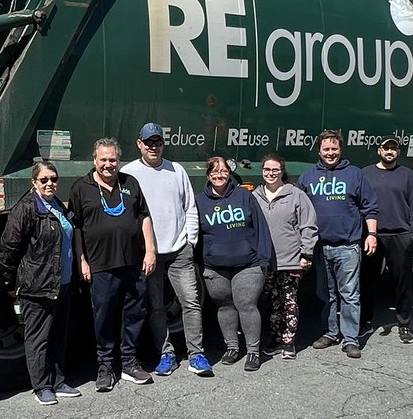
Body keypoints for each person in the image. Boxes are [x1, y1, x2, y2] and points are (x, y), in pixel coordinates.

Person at [68, 138, 157, 392]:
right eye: (103, 159)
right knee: (103, 318)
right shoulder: (81, 187)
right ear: (94, 160)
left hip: (133, 262)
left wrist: (150, 250)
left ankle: (129, 362)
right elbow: (76, 228)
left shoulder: (130, 183)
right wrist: (82, 261)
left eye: (113, 160)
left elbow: (144, 217)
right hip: (100, 265)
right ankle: (105, 366)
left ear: (119, 161)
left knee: (134, 314)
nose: (108, 164)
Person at [123, 122, 210, 378]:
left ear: (163, 144)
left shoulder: (177, 170)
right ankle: (166, 354)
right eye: (148, 142)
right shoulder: (129, 173)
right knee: (155, 306)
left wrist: (190, 240)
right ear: (139, 143)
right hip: (149, 253)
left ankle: (197, 355)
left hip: (179, 249)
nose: (153, 147)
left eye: (157, 142)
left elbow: (190, 207)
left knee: (191, 302)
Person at [0, 160, 82, 405]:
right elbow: (8, 248)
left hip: (62, 283)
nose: (49, 184)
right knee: (38, 338)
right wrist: (10, 282)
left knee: (59, 335)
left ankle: (58, 380)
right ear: (33, 183)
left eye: (53, 179)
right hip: (37, 286)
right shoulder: (26, 209)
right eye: (44, 180)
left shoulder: (56, 205)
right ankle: (41, 386)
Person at [300, 131, 379, 359]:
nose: (330, 153)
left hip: (348, 246)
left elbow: (370, 207)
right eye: (326, 149)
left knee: (349, 295)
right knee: (326, 294)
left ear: (340, 150)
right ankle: (330, 333)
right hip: (320, 247)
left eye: (334, 149)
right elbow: (299, 211)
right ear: (319, 151)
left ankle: (350, 339)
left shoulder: (355, 175)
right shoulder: (308, 177)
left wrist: (371, 234)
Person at [197, 157, 274, 371]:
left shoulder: (244, 196)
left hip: (248, 263)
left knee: (246, 304)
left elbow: (261, 228)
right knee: (225, 306)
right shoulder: (199, 202)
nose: (219, 175)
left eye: (223, 171)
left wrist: (264, 260)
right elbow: (196, 236)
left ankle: (253, 351)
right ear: (208, 175)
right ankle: (231, 347)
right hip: (214, 266)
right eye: (214, 171)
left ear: (229, 173)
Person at [359, 137, 413, 345]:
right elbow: (358, 203)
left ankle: (404, 323)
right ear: (379, 151)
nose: (390, 152)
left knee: (402, 283)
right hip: (372, 235)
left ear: (398, 152)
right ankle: (365, 321)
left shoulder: (408, 176)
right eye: (386, 148)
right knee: (366, 281)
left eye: (393, 148)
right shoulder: (365, 174)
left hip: (400, 235)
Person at [253, 153, 318, 360]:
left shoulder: (296, 195)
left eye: (275, 170)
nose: (270, 173)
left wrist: (306, 252)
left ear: (282, 171)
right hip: (267, 261)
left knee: (289, 301)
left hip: (291, 259)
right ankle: (274, 339)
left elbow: (308, 225)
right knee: (272, 302)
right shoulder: (256, 196)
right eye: (267, 170)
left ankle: (288, 341)